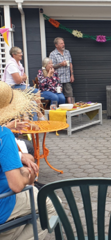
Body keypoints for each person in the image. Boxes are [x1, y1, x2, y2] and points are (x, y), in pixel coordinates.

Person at [0, 81, 56, 240]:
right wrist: (28, 174)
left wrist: (18, 155)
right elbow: (16, 185)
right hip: (3, 206)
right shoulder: (3, 135)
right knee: (51, 205)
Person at [49, 37, 74, 104]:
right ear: (56, 45)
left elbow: (70, 63)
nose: (63, 44)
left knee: (70, 94)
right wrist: (61, 64)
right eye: (61, 43)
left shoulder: (67, 52)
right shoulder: (53, 54)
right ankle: (60, 112)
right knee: (59, 96)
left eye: (63, 43)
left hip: (67, 78)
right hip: (58, 79)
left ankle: (71, 110)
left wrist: (72, 75)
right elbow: (51, 66)